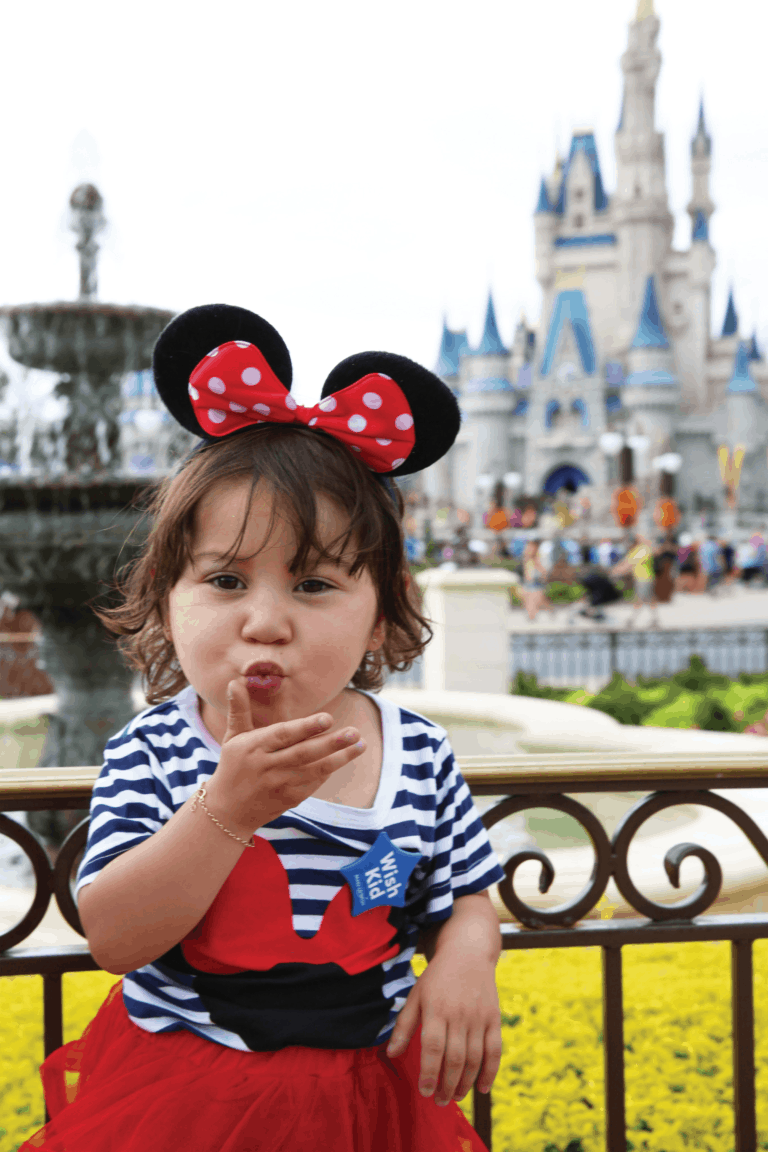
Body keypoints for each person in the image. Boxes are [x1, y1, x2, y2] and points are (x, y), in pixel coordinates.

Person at [22, 305, 504, 1152]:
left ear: (381, 616)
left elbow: (461, 896)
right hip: (186, 1105)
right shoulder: (157, 751)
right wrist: (227, 809)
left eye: (314, 585)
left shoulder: (418, 754)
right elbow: (116, 936)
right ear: (166, 599)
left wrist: (468, 959)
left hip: (371, 1103)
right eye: (226, 581)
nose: (267, 622)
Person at [613, 532, 659, 629]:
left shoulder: (644, 550)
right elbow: (626, 561)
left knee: (640, 599)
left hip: (644, 578)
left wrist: (618, 571)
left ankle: (631, 619)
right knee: (650, 599)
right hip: (642, 578)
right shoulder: (636, 550)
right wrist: (616, 569)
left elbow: (629, 564)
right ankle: (655, 619)